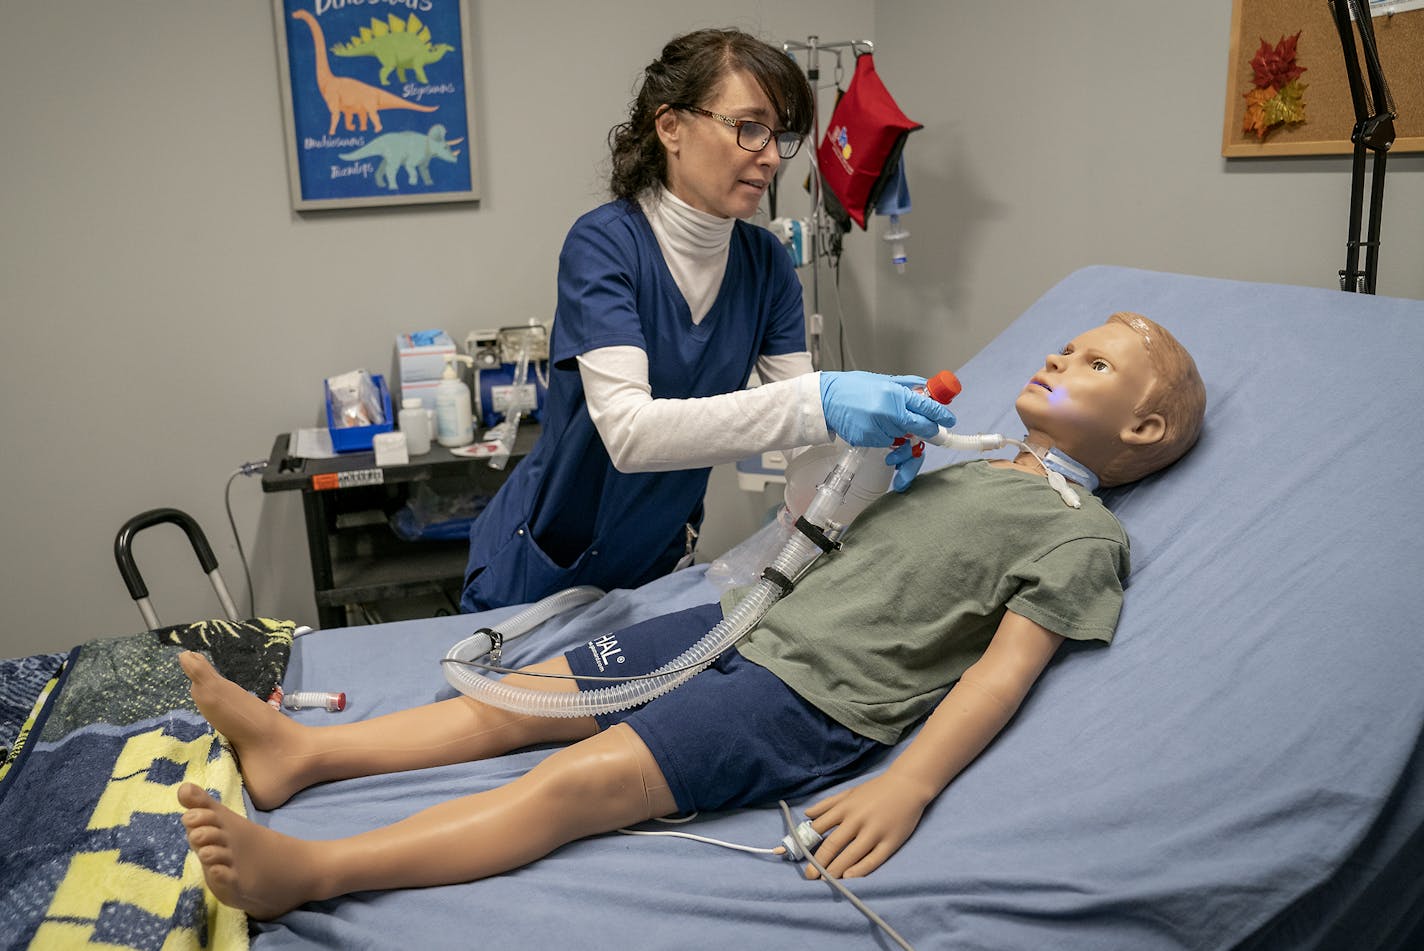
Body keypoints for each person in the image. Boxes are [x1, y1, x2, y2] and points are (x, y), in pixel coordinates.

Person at [176, 311, 1205, 919]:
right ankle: (304, 756)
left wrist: (912, 788)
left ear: (1144, 426)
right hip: (744, 616)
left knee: (574, 779)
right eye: (1066, 345)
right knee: (514, 697)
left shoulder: (1082, 534)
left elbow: (998, 672)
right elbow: (833, 534)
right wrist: (874, 472)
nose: (1059, 359)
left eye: (1094, 364)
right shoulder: (974, 461)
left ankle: (313, 874)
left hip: (803, 697)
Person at [459, 28, 957, 612]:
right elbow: (629, 434)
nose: (770, 155)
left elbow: (802, 435)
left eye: (781, 134)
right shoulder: (604, 245)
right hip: (546, 563)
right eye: (750, 127)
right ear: (671, 126)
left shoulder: (766, 262)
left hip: (659, 561)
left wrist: (863, 454)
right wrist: (822, 402)